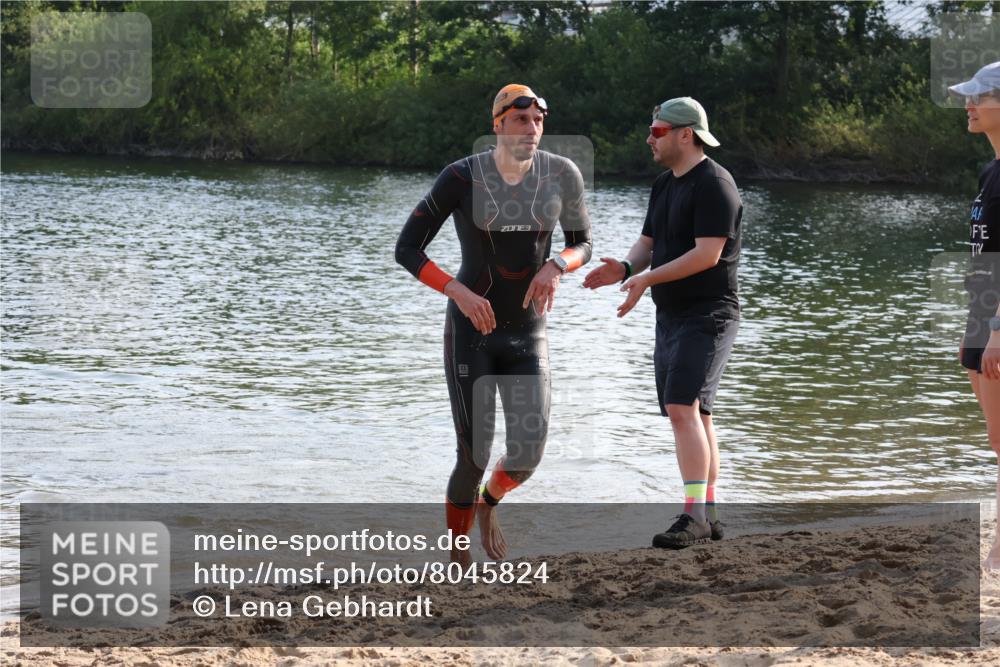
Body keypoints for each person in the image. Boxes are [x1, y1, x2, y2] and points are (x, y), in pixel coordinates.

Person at [395, 84, 592, 566]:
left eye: (538, 122)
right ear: (498, 124)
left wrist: (558, 266)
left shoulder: (561, 174)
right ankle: (458, 557)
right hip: (471, 332)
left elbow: (583, 242)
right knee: (473, 455)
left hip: (529, 333)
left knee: (527, 455)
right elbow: (407, 248)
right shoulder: (462, 177)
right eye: (520, 121)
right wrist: (456, 292)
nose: (532, 130)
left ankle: (489, 504)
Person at [583, 97, 742, 549]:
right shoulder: (663, 184)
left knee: (681, 408)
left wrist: (647, 277)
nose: (648, 139)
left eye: (656, 131)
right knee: (696, 412)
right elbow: (649, 242)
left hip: (709, 314)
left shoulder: (716, 185)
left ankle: (692, 515)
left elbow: (707, 254)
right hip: (671, 315)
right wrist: (628, 270)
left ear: (684, 134)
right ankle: (707, 513)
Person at [949, 62, 1000, 569]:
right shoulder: (991, 170)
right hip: (981, 316)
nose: (968, 104)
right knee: (996, 435)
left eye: (978, 97)